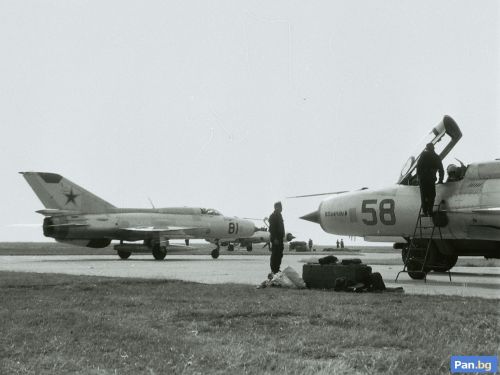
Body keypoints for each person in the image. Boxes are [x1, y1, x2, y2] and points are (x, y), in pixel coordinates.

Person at [416, 143, 444, 216]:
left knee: (424, 195)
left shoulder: (423, 155)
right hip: (431, 179)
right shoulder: (436, 157)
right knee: (432, 195)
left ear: (427, 148)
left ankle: (425, 211)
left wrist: (418, 177)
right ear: (433, 148)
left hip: (423, 179)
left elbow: (418, 166)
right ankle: (429, 211)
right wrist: (441, 180)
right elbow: (441, 169)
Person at [269, 201, 285, 274]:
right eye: (280, 207)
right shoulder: (273, 216)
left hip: (279, 238)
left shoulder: (279, 215)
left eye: (281, 207)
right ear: (276, 207)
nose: (281, 208)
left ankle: (277, 269)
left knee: (279, 254)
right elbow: (272, 229)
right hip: (276, 238)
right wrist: (275, 238)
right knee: (275, 254)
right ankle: (274, 269)